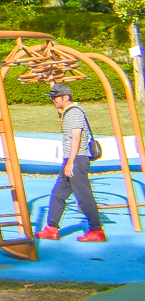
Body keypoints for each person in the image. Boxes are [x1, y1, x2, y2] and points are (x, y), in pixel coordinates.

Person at [38, 84, 106, 243]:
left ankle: (96, 229)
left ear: (65, 97)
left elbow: (76, 138)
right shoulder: (68, 112)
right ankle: (51, 228)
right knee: (58, 193)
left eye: (55, 97)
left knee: (83, 196)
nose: (53, 100)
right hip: (71, 159)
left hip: (76, 159)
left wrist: (70, 162)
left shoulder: (74, 113)